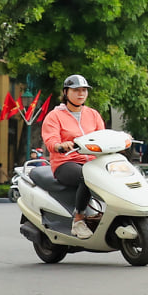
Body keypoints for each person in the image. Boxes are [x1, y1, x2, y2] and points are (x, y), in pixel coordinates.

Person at [40, 75, 106, 239]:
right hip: (66, 163)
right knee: (87, 177)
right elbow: (51, 140)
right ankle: (78, 220)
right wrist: (60, 145)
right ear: (65, 92)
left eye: (84, 90)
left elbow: (103, 136)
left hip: (93, 162)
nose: (81, 94)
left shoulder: (93, 114)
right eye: (76, 90)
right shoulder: (55, 116)